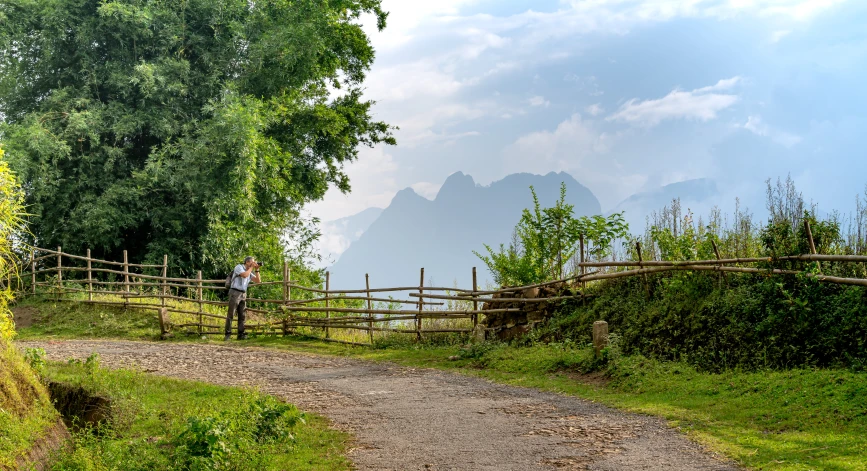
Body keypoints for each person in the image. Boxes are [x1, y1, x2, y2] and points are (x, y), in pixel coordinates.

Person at [225, 256, 261, 341]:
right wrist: (251, 268)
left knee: (242, 315)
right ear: (247, 262)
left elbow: (258, 280)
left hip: (243, 293)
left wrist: (257, 270)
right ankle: (227, 335)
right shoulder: (239, 267)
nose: (254, 263)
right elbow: (244, 275)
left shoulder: (249, 271)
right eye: (252, 262)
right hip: (235, 292)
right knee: (231, 314)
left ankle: (240, 335)